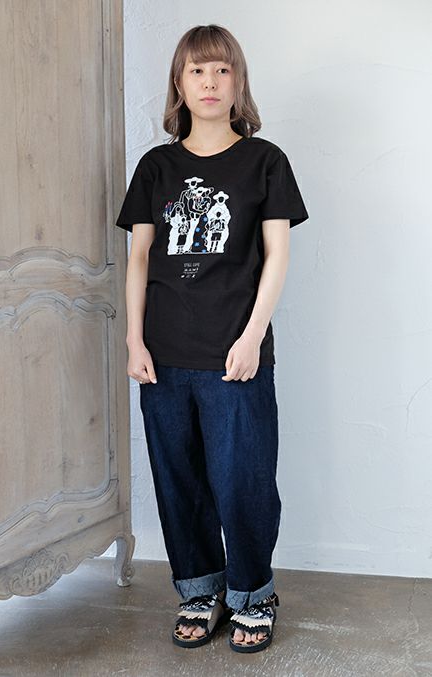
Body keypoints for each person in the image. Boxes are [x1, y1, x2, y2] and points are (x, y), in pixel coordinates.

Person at [115, 24, 309, 654]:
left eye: (222, 70)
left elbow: (277, 256)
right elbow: (139, 258)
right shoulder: (156, 167)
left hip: (235, 354)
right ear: (179, 83)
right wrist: (134, 340)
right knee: (180, 479)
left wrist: (252, 337)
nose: (209, 82)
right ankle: (199, 588)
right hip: (164, 355)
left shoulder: (264, 161)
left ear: (238, 82)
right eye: (197, 70)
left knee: (243, 479)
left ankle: (253, 593)